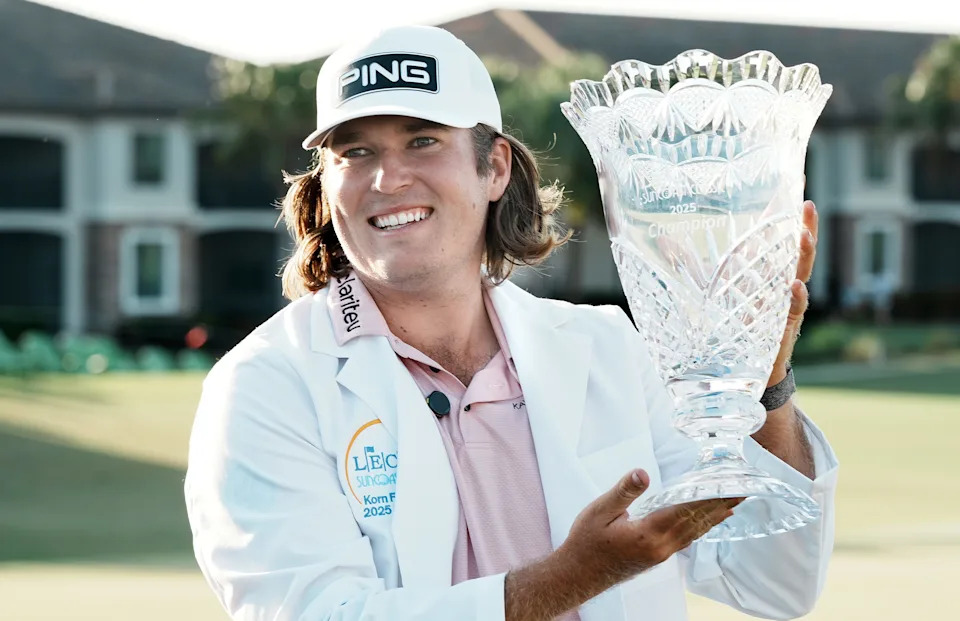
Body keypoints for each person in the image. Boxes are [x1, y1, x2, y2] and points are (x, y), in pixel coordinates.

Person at [184, 25, 838, 621]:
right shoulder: (266, 383)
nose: (388, 177)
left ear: (494, 166)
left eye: (423, 140)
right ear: (328, 183)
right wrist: (572, 577)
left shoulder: (607, 345)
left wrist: (765, 385)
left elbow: (770, 582)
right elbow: (315, 612)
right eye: (354, 151)